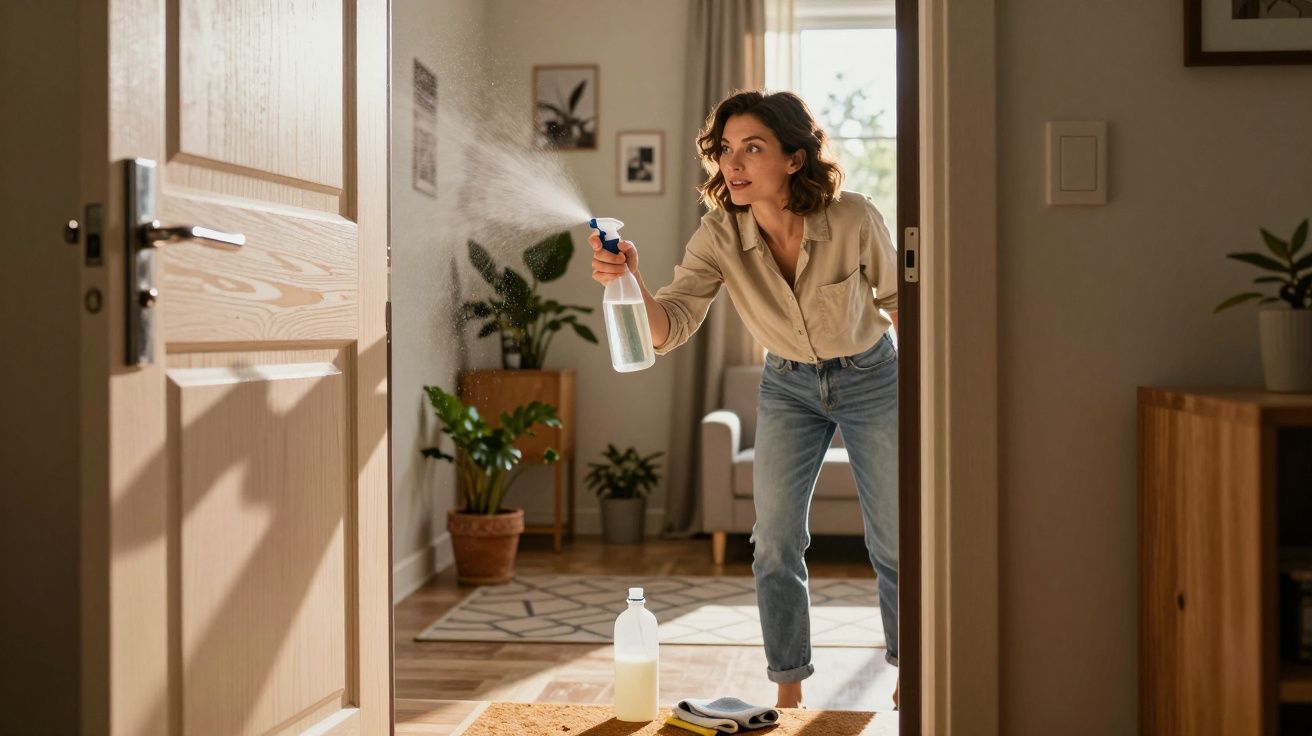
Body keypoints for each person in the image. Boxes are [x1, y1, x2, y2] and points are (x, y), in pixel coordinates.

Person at [589, 89, 900, 710]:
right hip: (787, 385)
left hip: (872, 378)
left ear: (793, 158)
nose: (733, 163)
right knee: (775, 542)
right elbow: (668, 327)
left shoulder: (854, 218)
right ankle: (788, 689)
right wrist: (629, 278)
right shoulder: (718, 233)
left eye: (751, 149)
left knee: (893, 539)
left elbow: (898, 303)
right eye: (726, 149)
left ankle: (908, 669)